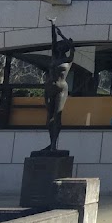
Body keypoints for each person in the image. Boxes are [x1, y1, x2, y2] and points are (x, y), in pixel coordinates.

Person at [40, 22, 75, 153]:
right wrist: (53, 25)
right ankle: (51, 144)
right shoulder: (54, 57)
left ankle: (54, 144)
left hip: (61, 88)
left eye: (62, 45)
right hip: (49, 87)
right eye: (59, 45)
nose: (59, 46)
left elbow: (73, 48)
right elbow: (53, 41)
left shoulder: (68, 60)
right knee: (49, 117)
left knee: (57, 115)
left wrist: (62, 35)